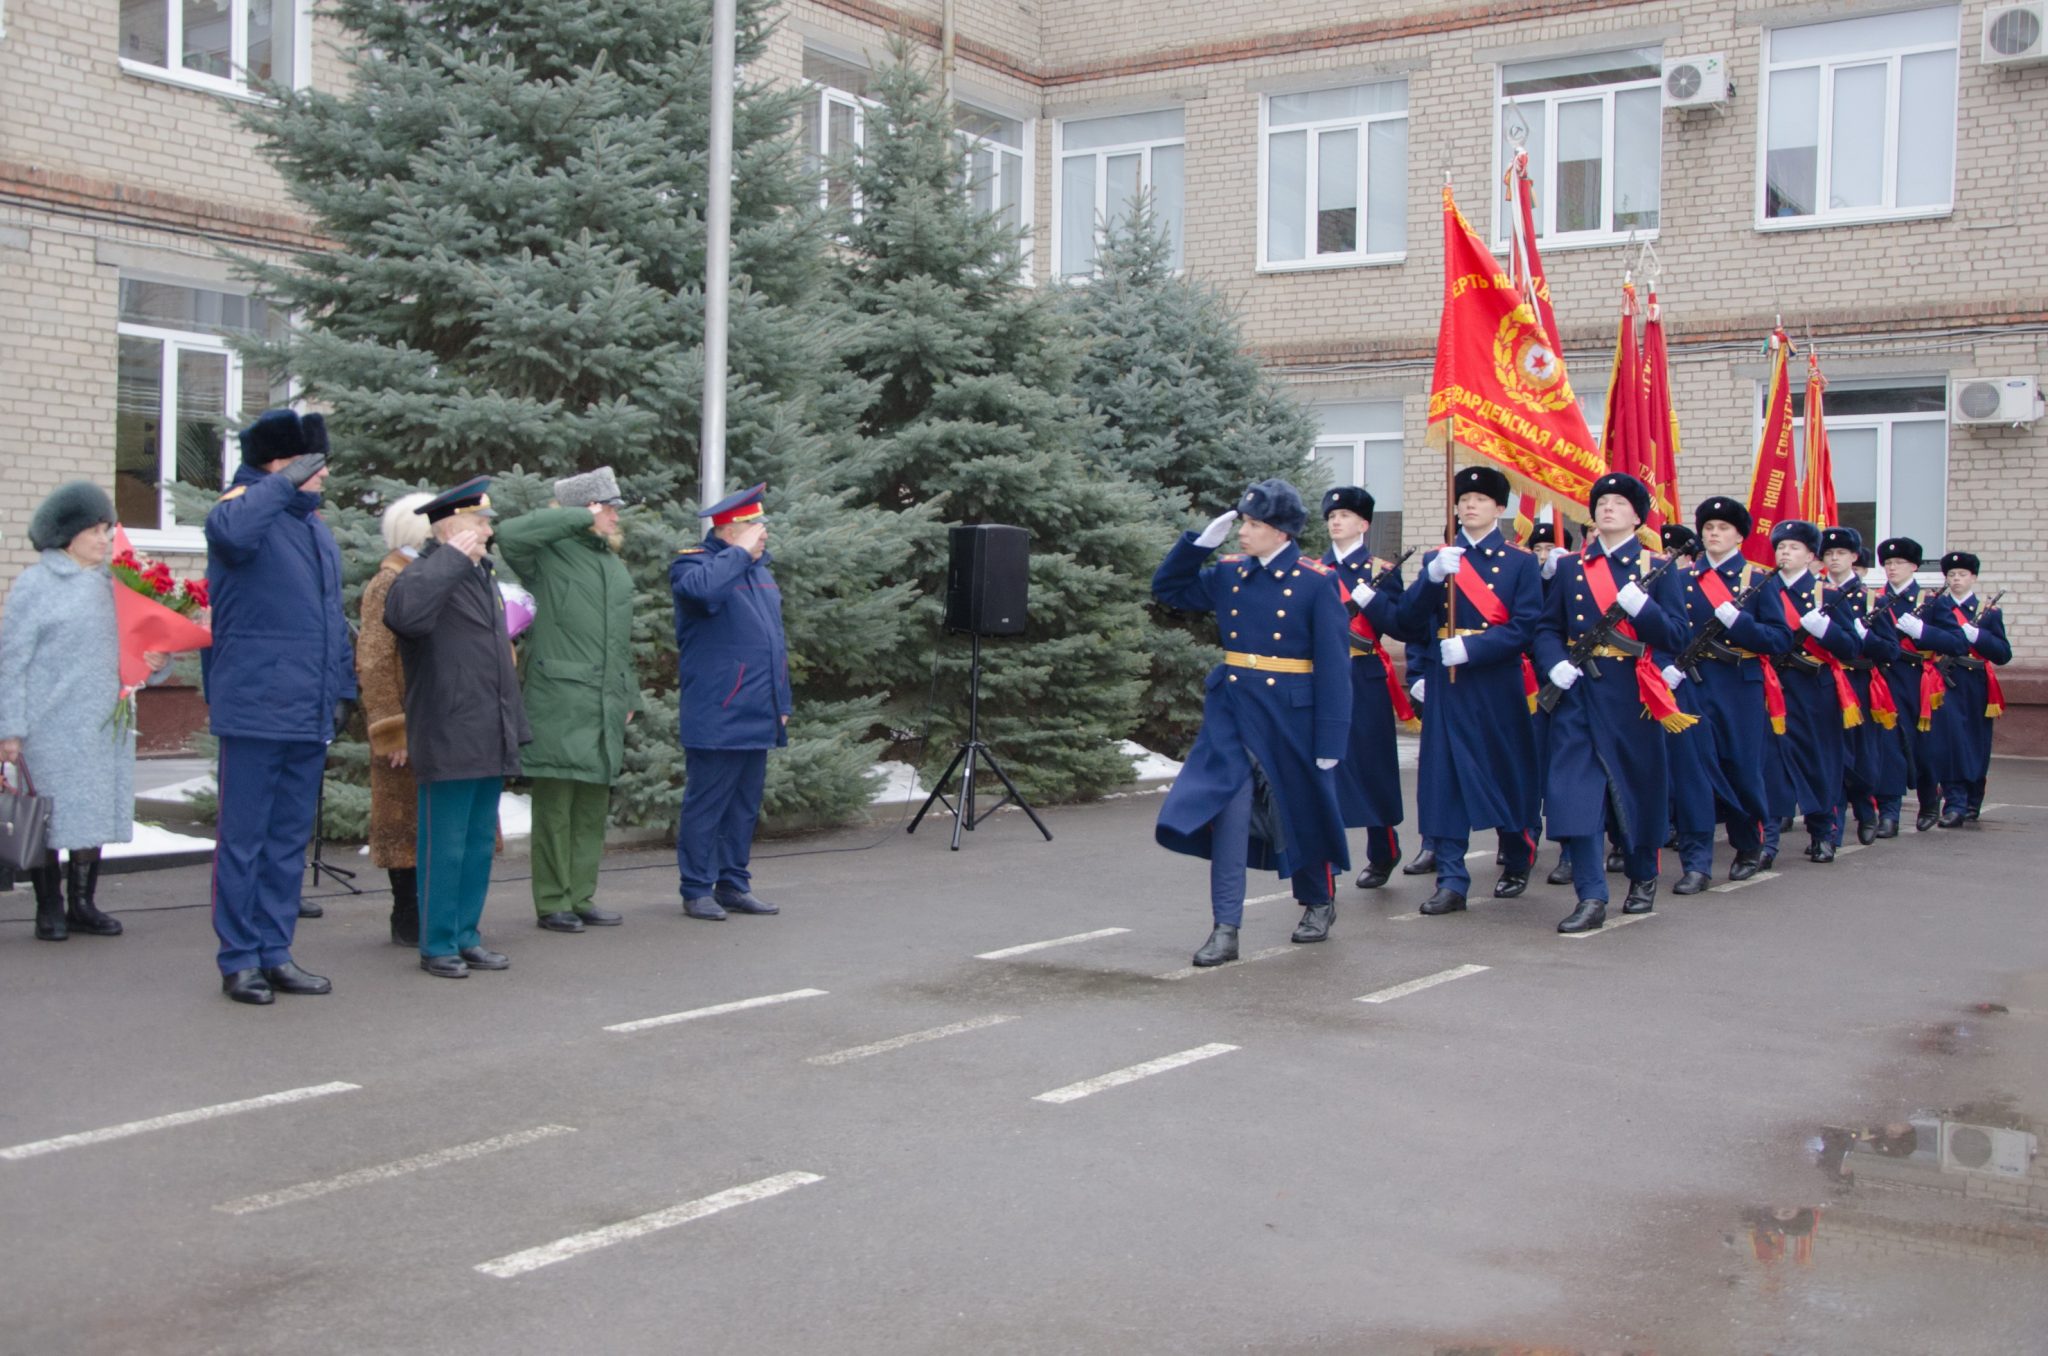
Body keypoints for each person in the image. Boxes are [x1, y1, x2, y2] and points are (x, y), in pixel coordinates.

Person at [1154, 479, 1352, 964]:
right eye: (1243, 522)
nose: (1244, 531)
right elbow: (1169, 589)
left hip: (1290, 712)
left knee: (1301, 810)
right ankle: (1226, 927)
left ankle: (1318, 900)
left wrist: (1330, 738)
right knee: (1230, 813)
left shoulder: (1315, 581)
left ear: (1281, 532)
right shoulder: (1228, 574)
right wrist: (1198, 543)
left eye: (1254, 524)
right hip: (1235, 710)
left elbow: (1334, 667)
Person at [203, 410, 355, 1005]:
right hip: (255, 704)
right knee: (244, 839)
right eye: (313, 466)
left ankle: (274, 950)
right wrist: (283, 482)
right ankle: (238, 958)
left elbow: (328, 620)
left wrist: (341, 689)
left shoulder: (311, 526)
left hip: (306, 705)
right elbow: (234, 535)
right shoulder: (243, 510)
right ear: (279, 464)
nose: (323, 478)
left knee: (288, 839)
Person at [0, 482, 172, 941]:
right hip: (50, 725)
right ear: (67, 535)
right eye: (96, 530)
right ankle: (49, 907)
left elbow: (139, 650)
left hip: (103, 724)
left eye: (108, 529)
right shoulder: (35, 586)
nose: (105, 539)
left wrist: (156, 661)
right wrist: (10, 730)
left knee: (89, 815)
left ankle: (83, 904)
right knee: (49, 817)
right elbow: (11, 662)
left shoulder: (116, 584)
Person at [381, 477, 531, 978]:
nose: (489, 530)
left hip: (488, 729)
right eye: (480, 521)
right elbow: (404, 617)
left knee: (473, 847)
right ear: (452, 526)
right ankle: (437, 943)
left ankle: (467, 935)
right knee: (442, 846)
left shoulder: (479, 575)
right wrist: (449, 559)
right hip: (448, 729)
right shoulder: (425, 571)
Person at [1533, 472, 1690, 931]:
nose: (1607, 509)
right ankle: (1591, 896)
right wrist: (1553, 663)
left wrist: (1645, 608)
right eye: (1601, 502)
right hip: (1578, 691)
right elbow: (1546, 627)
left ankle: (1643, 876)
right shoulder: (1570, 569)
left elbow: (1677, 635)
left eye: (1619, 503)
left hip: (1630, 696)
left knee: (1636, 789)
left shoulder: (1656, 568)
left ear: (1637, 516)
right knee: (1573, 793)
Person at [496, 467, 639, 934]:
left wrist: (628, 691)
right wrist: (577, 517)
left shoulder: (611, 563)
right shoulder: (546, 554)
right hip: (558, 697)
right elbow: (510, 533)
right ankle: (553, 900)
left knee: (591, 807)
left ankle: (581, 895)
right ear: (587, 509)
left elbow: (620, 639)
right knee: (555, 807)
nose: (616, 517)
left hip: (604, 700)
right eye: (609, 508)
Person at [1395, 465, 1540, 915]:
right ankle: (1452, 880)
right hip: (1448, 685)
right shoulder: (1441, 559)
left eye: (1480, 499)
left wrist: (1475, 648)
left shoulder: (1520, 563)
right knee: (1444, 778)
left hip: (1494, 682)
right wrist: (1430, 579)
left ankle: (1517, 855)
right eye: (1463, 499)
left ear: (1499, 508)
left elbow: (1526, 627)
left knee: (1504, 773)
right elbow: (1408, 622)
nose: (1469, 505)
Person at [670, 483, 791, 921]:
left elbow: (774, 644)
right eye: (755, 528)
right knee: (708, 804)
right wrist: (737, 554)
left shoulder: (761, 571)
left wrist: (783, 701)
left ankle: (733, 884)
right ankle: (697, 888)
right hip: (719, 709)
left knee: (743, 806)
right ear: (730, 531)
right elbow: (703, 593)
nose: (764, 536)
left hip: (759, 708)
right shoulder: (692, 565)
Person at [1665, 496, 1793, 889]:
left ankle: (1748, 843)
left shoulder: (1756, 581)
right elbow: (1671, 630)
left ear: (1739, 535)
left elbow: (1779, 638)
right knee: (1692, 773)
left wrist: (1740, 623)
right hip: (1691, 683)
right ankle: (1697, 861)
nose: (1713, 534)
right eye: (1708, 528)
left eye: (1722, 528)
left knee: (1741, 767)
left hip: (1738, 684)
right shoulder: (1682, 579)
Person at [1319, 486, 1414, 889]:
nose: (1336, 521)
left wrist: (1371, 601)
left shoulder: (1381, 571)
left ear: (1364, 524)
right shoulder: (1313, 569)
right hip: (1324, 677)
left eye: (1344, 515)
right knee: (1325, 765)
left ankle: (1383, 847)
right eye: (1331, 516)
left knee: (1371, 764)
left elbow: (1402, 624)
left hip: (1365, 677)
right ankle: (1326, 856)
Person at [1759, 521, 1862, 867]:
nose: (1785, 553)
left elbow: (1851, 647)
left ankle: (1823, 833)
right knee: (1771, 764)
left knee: (1819, 762)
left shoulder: (1827, 595)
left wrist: (1827, 629)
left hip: (1813, 688)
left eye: (1793, 548)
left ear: (1810, 555)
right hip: (1773, 686)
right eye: (1781, 547)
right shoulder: (1763, 589)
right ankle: (1768, 842)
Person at [356, 493, 434, 946]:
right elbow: (375, 658)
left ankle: (432, 911)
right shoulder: (388, 581)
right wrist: (391, 727)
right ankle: (406, 914)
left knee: (428, 819)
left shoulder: (435, 574)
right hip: (406, 716)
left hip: (439, 714)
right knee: (403, 821)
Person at [1872, 537, 1967, 833]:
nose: (1891, 568)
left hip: (1918, 681)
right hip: (1884, 678)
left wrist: (1923, 631)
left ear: (1913, 566)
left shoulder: (1931, 602)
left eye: (1898, 563)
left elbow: (1958, 642)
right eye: (1887, 563)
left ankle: (1928, 801)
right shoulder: (1873, 599)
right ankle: (1889, 813)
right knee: (1888, 745)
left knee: (1924, 746)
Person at [1820, 527, 1897, 848]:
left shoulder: (1870, 599)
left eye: (1840, 553)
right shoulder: (1817, 593)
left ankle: (1866, 810)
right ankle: (1832, 825)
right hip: (1825, 681)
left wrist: (1867, 637)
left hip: (1860, 684)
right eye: (1828, 553)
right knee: (1831, 754)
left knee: (1861, 755)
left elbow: (1891, 650)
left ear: (1854, 557)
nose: (1834, 558)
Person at [1929, 551, 2011, 826]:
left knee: (1975, 742)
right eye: (1951, 575)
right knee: (1950, 741)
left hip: (1975, 683)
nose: (1956, 580)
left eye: (1962, 574)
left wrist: (1979, 635)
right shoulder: (1937, 608)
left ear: (1973, 577)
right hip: (1946, 681)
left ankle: (1973, 798)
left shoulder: (1986, 613)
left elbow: (2002, 653)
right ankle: (1954, 802)